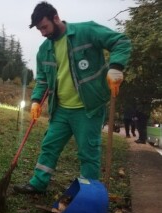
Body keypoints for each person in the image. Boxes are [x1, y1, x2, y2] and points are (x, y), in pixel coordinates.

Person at [13, 1, 131, 195]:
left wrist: (116, 67)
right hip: (60, 109)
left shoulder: (86, 31)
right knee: (49, 145)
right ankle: (38, 183)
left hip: (88, 108)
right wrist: (35, 101)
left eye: (45, 27)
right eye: (39, 29)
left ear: (56, 18)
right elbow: (42, 80)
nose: (42, 32)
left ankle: (87, 193)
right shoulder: (44, 50)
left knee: (88, 153)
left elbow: (121, 41)